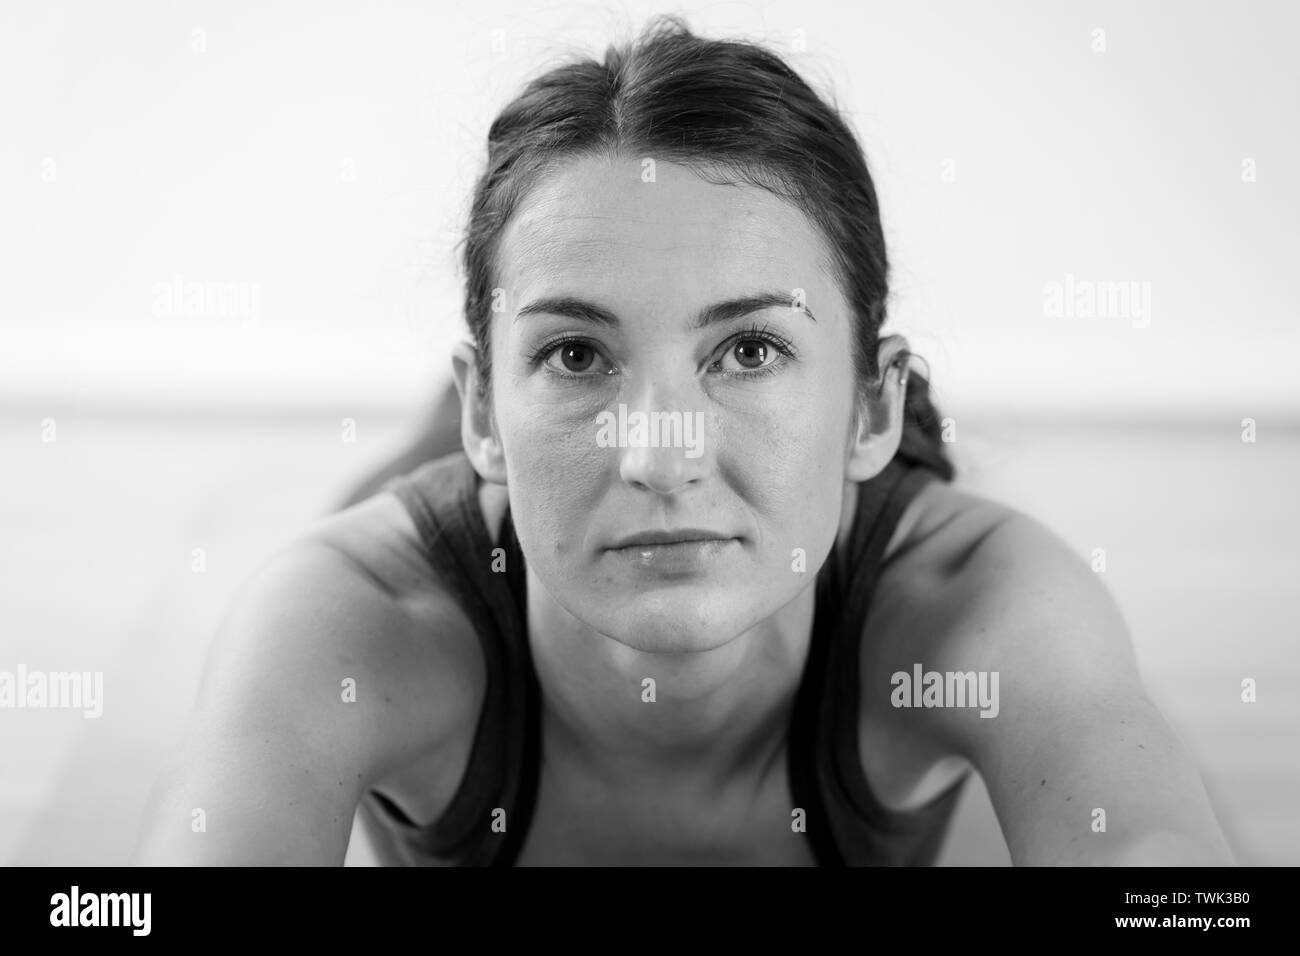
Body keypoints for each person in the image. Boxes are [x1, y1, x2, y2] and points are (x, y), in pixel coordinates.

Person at [133, 16, 1234, 866]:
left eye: (748, 349)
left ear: (871, 408)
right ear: (485, 413)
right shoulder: (351, 616)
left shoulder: (975, 597)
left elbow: (1158, 862)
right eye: (579, 353)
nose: (661, 455)